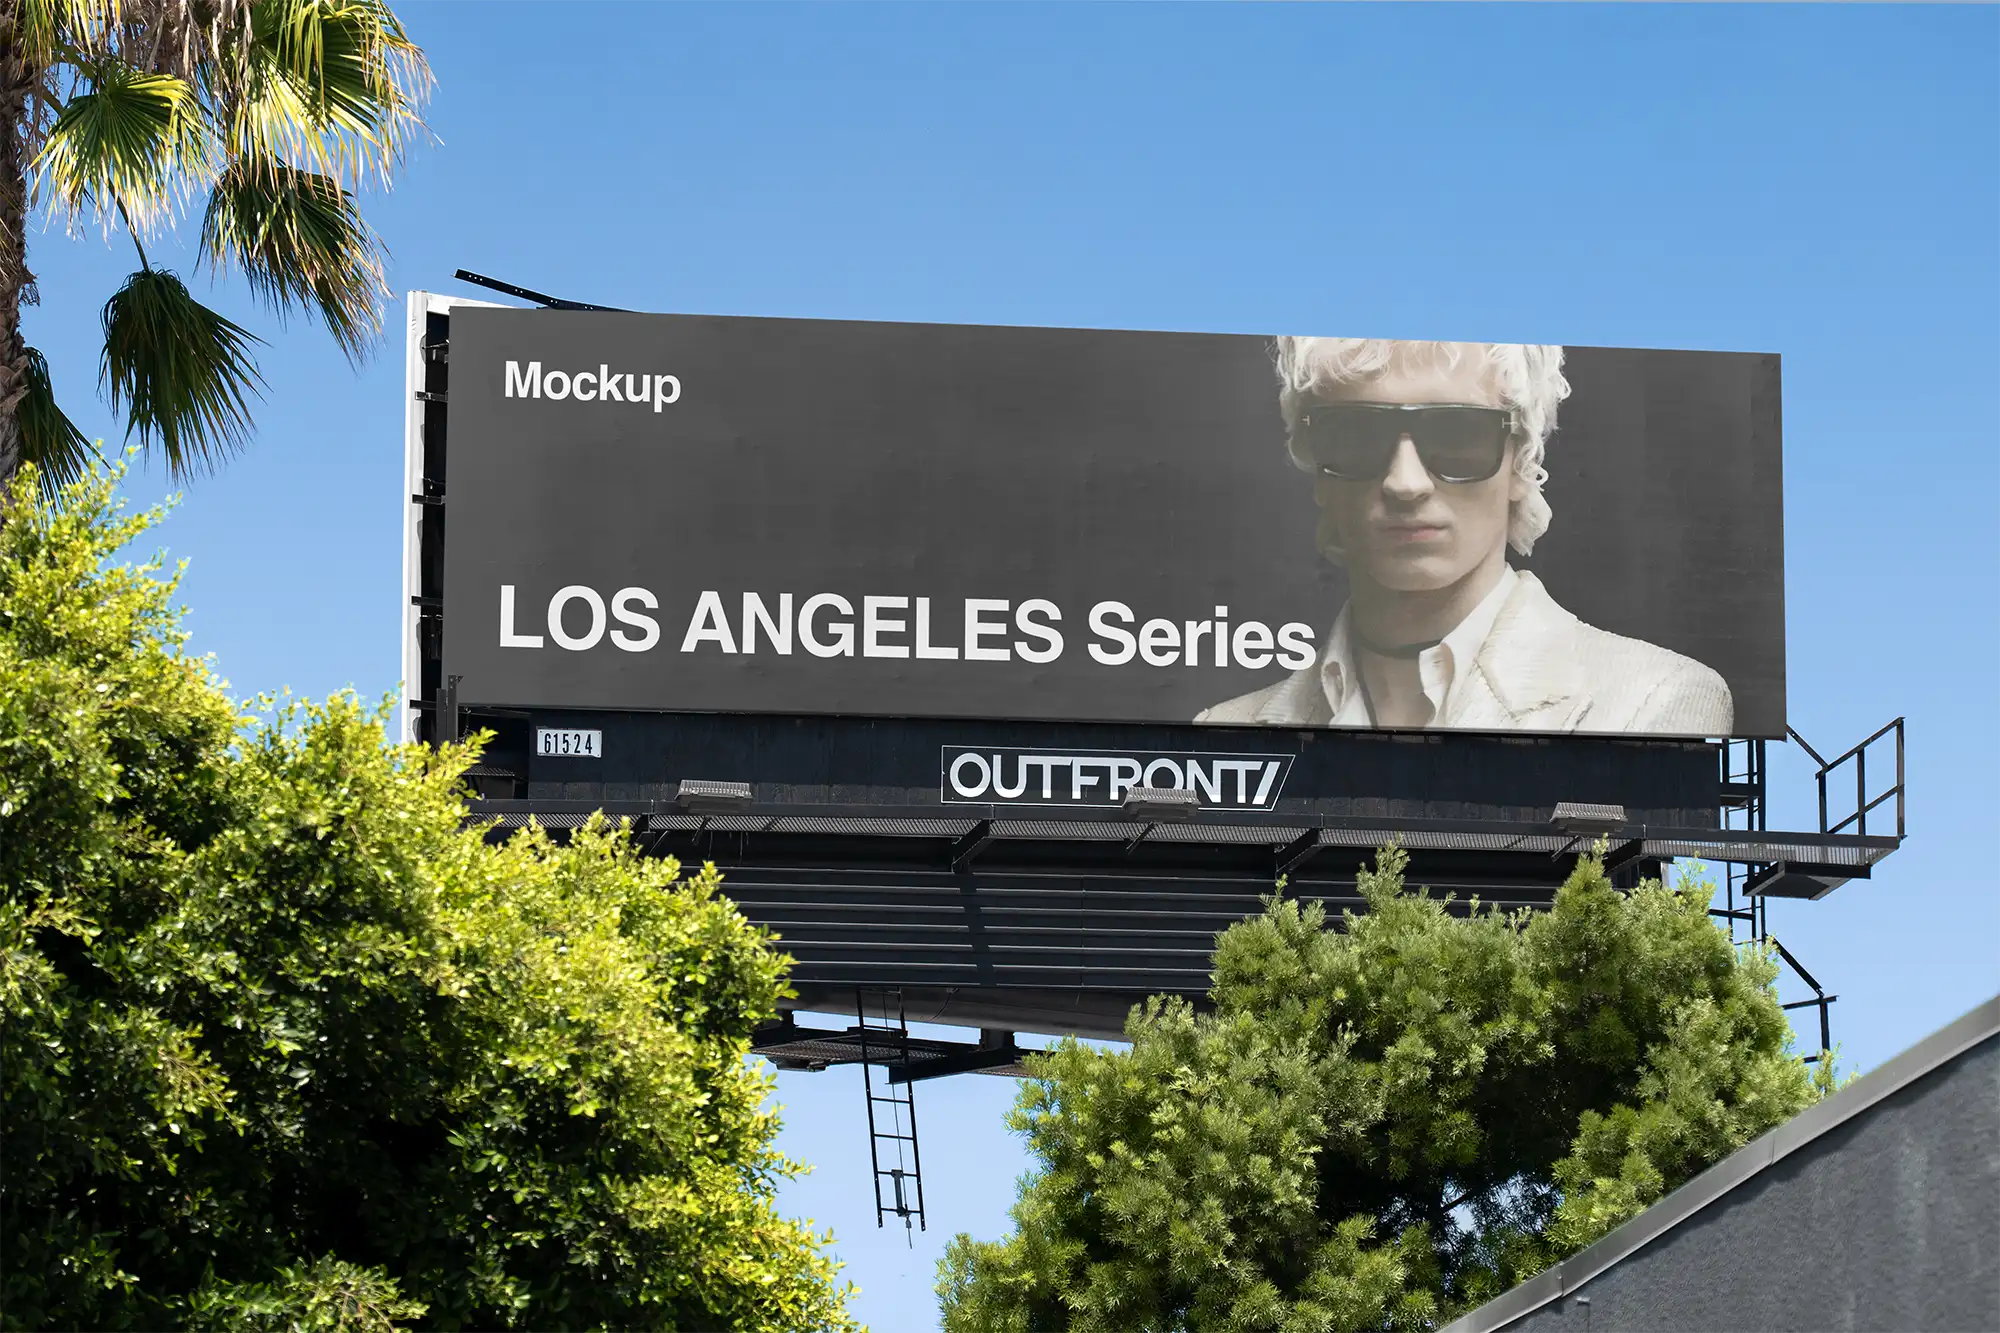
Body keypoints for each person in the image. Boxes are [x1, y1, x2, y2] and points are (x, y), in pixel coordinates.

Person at [1197, 337, 1732, 734]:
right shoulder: (1225, 730)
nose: (1404, 483)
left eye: (1457, 436)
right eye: (1356, 436)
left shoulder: (1655, 700)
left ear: (1522, 462)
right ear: (1318, 471)